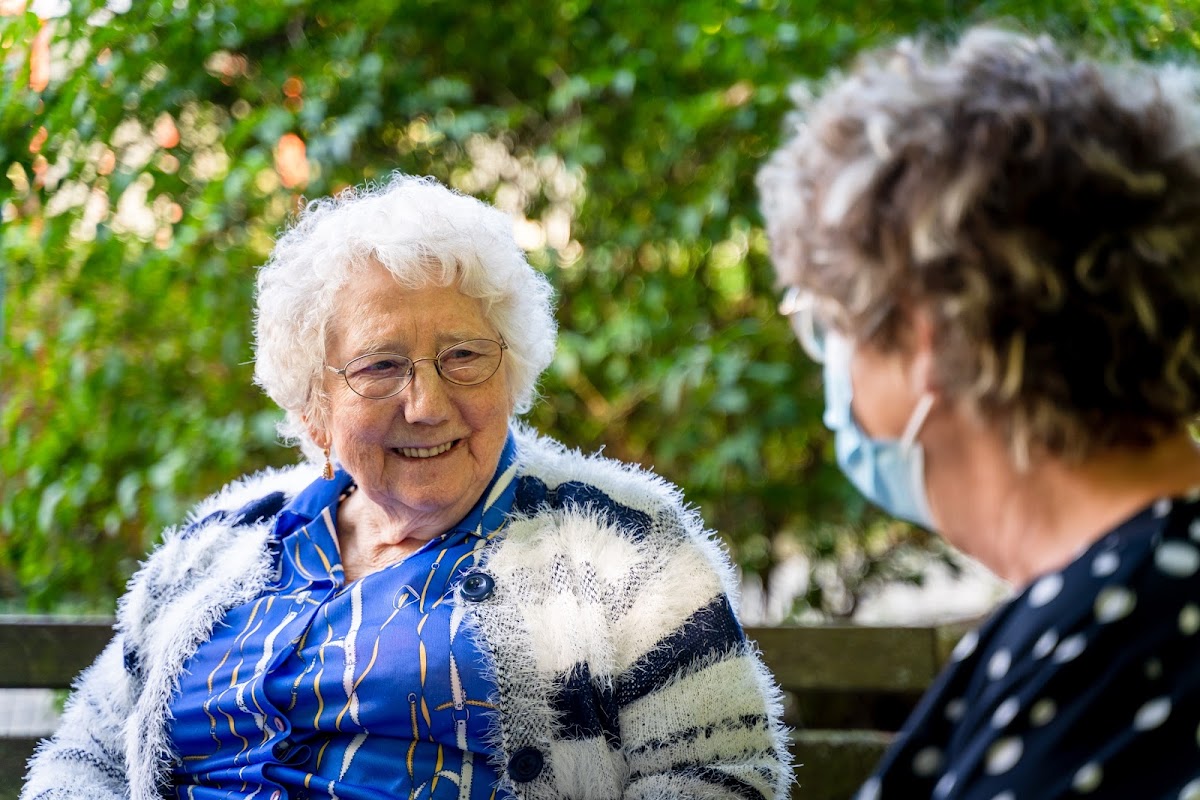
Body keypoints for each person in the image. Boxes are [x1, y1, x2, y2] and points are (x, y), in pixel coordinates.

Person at [22, 174, 792, 800]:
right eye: (379, 367)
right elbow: (83, 757)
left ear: (512, 367)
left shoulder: (622, 544)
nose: (425, 405)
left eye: (462, 355)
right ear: (313, 404)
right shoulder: (214, 547)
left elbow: (726, 778)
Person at [758, 25, 1200, 800]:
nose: (837, 371)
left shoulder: (1125, 648)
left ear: (927, 338)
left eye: (830, 326)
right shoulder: (1119, 604)